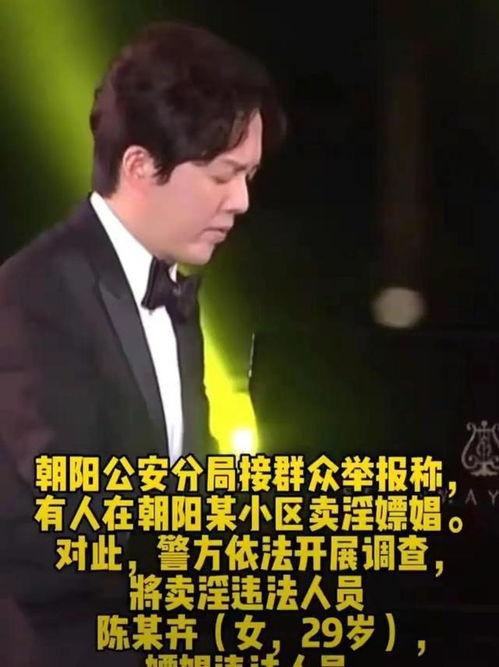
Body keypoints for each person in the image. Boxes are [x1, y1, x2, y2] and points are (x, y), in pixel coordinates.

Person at [0, 20, 286, 666]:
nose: (241, 200)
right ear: (139, 166)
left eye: (248, 175)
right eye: (222, 175)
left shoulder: (172, 286)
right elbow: (73, 511)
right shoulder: (34, 292)